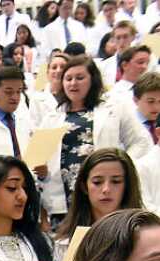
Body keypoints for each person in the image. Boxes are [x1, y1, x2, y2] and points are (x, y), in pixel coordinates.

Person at [39, 55, 152, 217]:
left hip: (104, 193)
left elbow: (141, 141)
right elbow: (40, 159)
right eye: (68, 78)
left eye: (80, 78)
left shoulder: (114, 108)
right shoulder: (51, 117)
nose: (73, 83)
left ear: (93, 79)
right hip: (64, 198)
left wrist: (123, 166)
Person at [55, 148, 144, 254]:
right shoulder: (65, 242)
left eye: (116, 181)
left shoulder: (144, 236)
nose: (106, 189)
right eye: (97, 182)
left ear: (127, 186)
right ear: (84, 187)